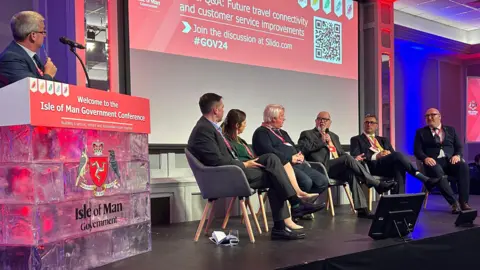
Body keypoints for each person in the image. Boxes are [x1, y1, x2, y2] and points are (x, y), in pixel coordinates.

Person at [187, 93, 325, 240]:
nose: (223, 111)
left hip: (233, 170)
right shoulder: (204, 129)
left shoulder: (210, 128)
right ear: (215, 110)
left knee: (272, 159)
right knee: (275, 175)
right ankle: (292, 210)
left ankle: (294, 208)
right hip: (227, 175)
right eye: (222, 107)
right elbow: (217, 161)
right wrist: (244, 163)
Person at [298, 111, 396, 218]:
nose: (322, 121)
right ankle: (375, 183)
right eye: (320, 119)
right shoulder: (307, 134)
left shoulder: (334, 136)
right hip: (321, 168)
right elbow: (303, 150)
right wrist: (321, 142)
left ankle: (362, 210)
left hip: (336, 167)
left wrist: (354, 159)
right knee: (346, 159)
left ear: (330, 123)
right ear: (316, 121)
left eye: (325, 120)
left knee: (351, 174)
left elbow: (341, 154)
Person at [221, 109, 320, 207]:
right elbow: (230, 160)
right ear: (237, 125)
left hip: (254, 167)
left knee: (277, 173)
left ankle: (290, 212)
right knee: (274, 163)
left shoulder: (240, 141)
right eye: (244, 123)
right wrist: (246, 164)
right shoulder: (226, 141)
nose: (245, 125)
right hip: (242, 171)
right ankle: (295, 202)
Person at [350, 114, 443, 195]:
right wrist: (376, 156)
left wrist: (388, 153)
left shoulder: (383, 140)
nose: (369, 124)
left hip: (386, 166)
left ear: (376, 126)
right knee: (398, 156)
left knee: (399, 165)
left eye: (371, 122)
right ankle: (422, 178)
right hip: (371, 167)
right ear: (363, 125)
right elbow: (355, 156)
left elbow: (393, 154)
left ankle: (398, 200)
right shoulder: (356, 139)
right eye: (366, 122)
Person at [252, 104, 329, 199]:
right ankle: (297, 206)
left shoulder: (283, 132)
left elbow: (294, 147)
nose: (284, 119)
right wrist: (290, 158)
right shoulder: (261, 132)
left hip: (298, 164)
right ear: (273, 118)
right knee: (306, 182)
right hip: (283, 167)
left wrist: (300, 154)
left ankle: (304, 204)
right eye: (281, 116)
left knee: (323, 181)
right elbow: (268, 152)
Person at [414, 108, 472, 213]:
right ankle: (454, 203)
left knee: (463, 166)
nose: (429, 118)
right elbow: (417, 151)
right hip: (432, 162)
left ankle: (464, 202)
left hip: (450, 162)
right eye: (427, 116)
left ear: (439, 116)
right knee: (437, 171)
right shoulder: (421, 132)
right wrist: (425, 158)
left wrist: (457, 155)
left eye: (432, 115)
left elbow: (459, 147)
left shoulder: (451, 130)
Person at [0, 11, 57, 88]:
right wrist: (49, 75)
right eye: (43, 32)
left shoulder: (33, 57)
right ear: (33, 35)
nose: (44, 35)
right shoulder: (10, 58)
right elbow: (32, 89)